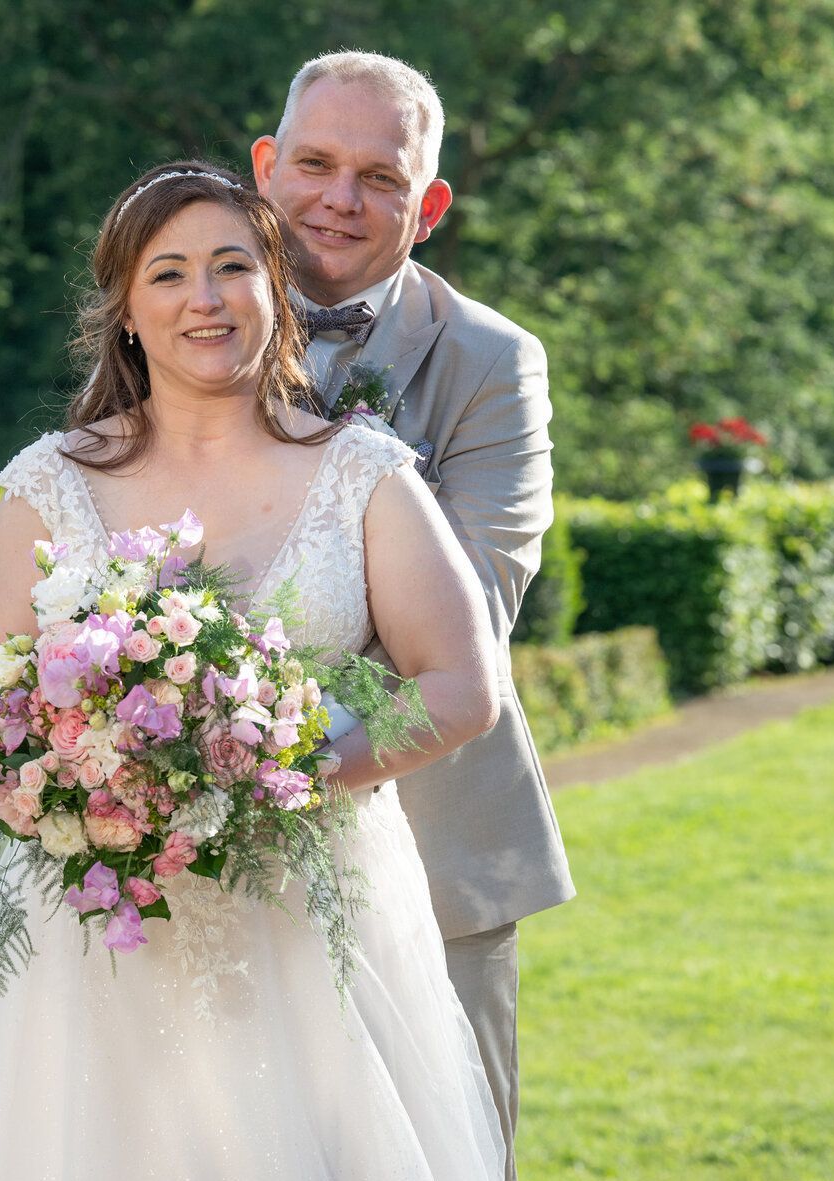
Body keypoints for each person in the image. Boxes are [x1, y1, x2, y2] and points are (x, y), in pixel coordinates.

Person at [0, 161, 507, 1179]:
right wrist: (110, 792)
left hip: (319, 910)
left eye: (232, 266)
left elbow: (458, 687)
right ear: (126, 311)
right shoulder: (53, 482)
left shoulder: (364, 472)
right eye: (168, 274)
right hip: (100, 930)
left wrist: (283, 778)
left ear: (276, 289)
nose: (205, 299)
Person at [252, 51, 575, 1177]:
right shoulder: (170, 329)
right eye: (315, 163)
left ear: (427, 207)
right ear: (265, 167)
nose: (340, 198)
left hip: (431, 850)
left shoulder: (492, 362)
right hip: (197, 873)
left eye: (380, 178)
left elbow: (471, 612)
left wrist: (235, 731)